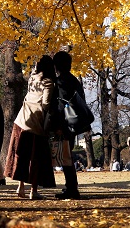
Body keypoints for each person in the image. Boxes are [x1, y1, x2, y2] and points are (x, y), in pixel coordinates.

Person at [5, 55, 57, 200]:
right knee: (36, 157)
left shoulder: (33, 78)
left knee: (22, 155)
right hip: (36, 122)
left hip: (22, 119)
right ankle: (33, 190)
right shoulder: (48, 81)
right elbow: (46, 103)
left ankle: (20, 186)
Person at [53, 50, 84, 199]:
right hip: (74, 122)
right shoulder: (74, 80)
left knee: (66, 156)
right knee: (67, 155)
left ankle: (72, 188)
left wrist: (58, 125)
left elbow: (59, 106)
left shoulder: (61, 82)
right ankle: (71, 186)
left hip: (65, 124)